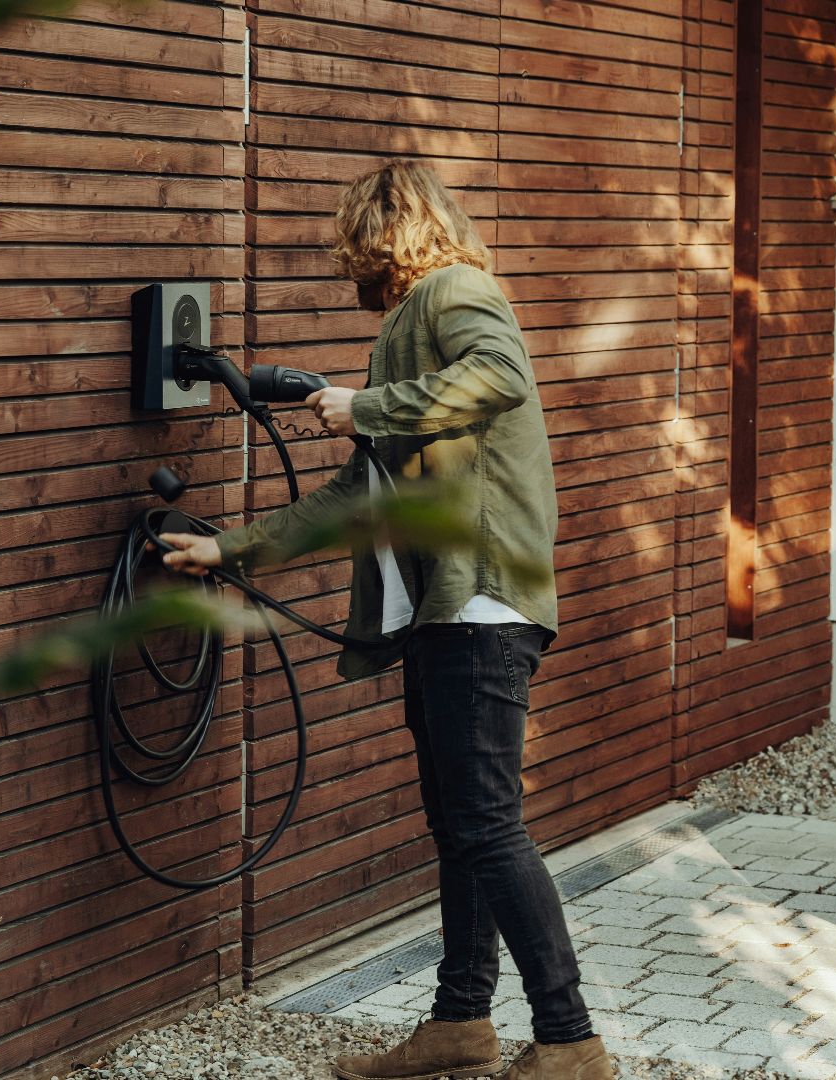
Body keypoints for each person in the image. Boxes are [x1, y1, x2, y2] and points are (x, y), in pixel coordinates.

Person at [156, 161, 612, 1080]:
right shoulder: (409, 329)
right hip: (445, 616)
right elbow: (353, 497)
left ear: (381, 235)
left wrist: (363, 405)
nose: (344, 265)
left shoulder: (455, 291)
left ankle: (570, 1038)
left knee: (487, 825)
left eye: (349, 246)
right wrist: (229, 552)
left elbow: (502, 375)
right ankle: (460, 1024)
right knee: (461, 828)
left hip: (480, 604)